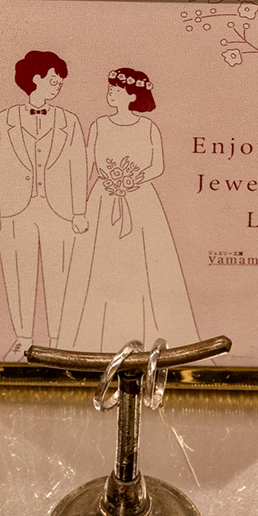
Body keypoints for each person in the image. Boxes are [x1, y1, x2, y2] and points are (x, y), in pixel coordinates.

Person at [59, 67, 199, 353]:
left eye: (116, 90)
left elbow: (157, 166)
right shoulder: (99, 125)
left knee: (142, 264)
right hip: (102, 201)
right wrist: (78, 208)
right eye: (109, 89)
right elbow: (88, 165)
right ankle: (95, 339)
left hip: (141, 203)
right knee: (100, 264)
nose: (110, 93)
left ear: (132, 96)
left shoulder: (148, 127)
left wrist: (132, 179)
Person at [0, 50, 88, 359]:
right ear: (36, 78)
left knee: (60, 275)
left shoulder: (68, 121)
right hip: (15, 210)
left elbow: (78, 165)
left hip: (59, 210)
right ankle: (23, 339)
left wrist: (78, 211)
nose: (58, 85)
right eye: (54, 80)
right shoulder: (4, 121)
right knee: (17, 273)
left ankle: (58, 339)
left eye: (61, 81)